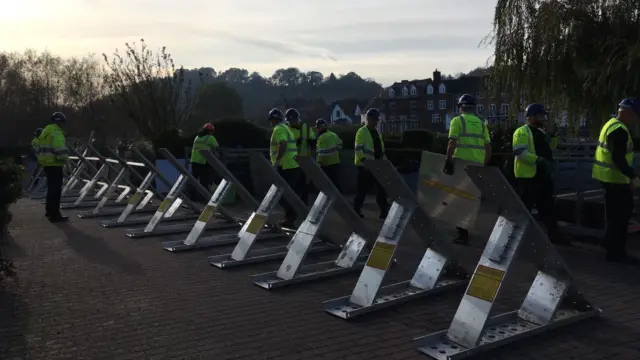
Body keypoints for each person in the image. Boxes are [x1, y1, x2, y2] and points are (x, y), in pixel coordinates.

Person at [513, 103, 569, 245]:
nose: (543, 118)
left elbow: (552, 146)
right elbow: (520, 153)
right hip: (528, 177)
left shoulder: (542, 132)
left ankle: (553, 234)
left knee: (548, 207)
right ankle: (516, 237)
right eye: (540, 115)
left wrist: (552, 134)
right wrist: (539, 160)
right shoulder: (522, 132)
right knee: (525, 208)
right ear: (530, 117)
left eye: (543, 115)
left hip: (543, 176)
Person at [592, 98, 640, 264]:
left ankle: (608, 243)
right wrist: (633, 176)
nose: (636, 119)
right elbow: (618, 157)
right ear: (627, 112)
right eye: (636, 115)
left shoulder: (611, 124)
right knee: (621, 215)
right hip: (615, 179)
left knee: (614, 215)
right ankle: (616, 253)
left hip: (608, 178)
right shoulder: (619, 130)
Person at [444, 94, 492, 245]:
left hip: (461, 165)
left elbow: (452, 143)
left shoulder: (457, 121)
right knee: (471, 199)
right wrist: (483, 164)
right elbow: (488, 148)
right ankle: (464, 231)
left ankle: (462, 234)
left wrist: (448, 160)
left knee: (459, 199)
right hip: (477, 165)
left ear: (461, 107)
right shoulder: (481, 123)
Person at [353, 108, 389, 219]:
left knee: (381, 189)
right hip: (365, 167)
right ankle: (356, 209)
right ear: (368, 119)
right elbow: (358, 148)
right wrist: (364, 161)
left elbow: (380, 150)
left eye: (376, 120)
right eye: (373, 120)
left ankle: (384, 211)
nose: (375, 122)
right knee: (362, 190)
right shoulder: (362, 131)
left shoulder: (377, 133)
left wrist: (385, 162)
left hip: (377, 165)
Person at [269, 108, 301, 228]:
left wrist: (277, 161)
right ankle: (290, 218)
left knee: (281, 195)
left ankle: (291, 216)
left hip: (285, 166)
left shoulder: (278, 129)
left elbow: (282, 144)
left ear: (273, 120)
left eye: (271, 120)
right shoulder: (287, 128)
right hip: (293, 165)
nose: (270, 123)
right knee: (288, 193)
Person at [38, 112, 69, 222]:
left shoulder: (45, 132)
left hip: (47, 164)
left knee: (50, 189)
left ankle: (49, 211)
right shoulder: (56, 133)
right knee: (56, 191)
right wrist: (66, 161)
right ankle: (55, 215)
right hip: (55, 164)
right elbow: (60, 150)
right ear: (59, 122)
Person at [285, 108, 316, 205]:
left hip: (304, 161)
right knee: (294, 186)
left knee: (303, 186)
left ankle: (304, 206)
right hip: (292, 162)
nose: (292, 122)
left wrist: (312, 160)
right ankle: (296, 207)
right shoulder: (287, 129)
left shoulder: (306, 128)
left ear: (298, 119)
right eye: (290, 121)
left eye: (293, 120)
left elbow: (313, 144)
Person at [190, 123, 219, 200]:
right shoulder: (210, 138)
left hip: (194, 160)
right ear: (211, 131)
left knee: (194, 179)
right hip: (203, 161)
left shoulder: (197, 137)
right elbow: (217, 147)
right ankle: (204, 197)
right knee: (204, 180)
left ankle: (192, 196)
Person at [315, 118, 343, 191]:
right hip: (336, 162)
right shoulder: (333, 134)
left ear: (321, 127)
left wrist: (318, 163)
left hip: (326, 164)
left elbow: (321, 152)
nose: (317, 129)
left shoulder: (321, 138)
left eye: (318, 127)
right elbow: (340, 145)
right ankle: (341, 197)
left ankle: (336, 198)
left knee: (328, 184)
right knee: (335, 182)